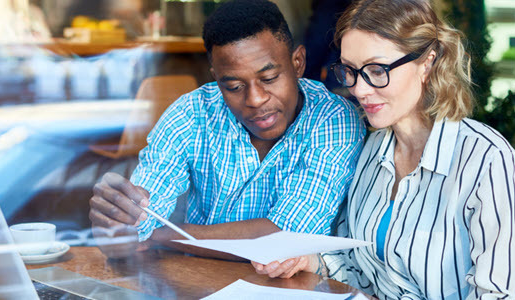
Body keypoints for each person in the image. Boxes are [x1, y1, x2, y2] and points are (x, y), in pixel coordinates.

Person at [252, 0, 515, 299]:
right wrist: (308, 261)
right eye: (350, 71)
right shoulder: (371, 150)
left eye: (376, 69)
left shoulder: (486, 159)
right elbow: (360, 268)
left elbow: (499, 294)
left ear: (427, 62)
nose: (359, 89)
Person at [88, 0, 366, 261]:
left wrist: (164, 236)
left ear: (297, 63)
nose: (255, 99)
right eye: (233, 86)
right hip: (199, 283)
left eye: (269, 78)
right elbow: (140, 220)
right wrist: (117, 222)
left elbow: (289, 238)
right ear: (216, 78)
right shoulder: (192, 113)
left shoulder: (333, 120)